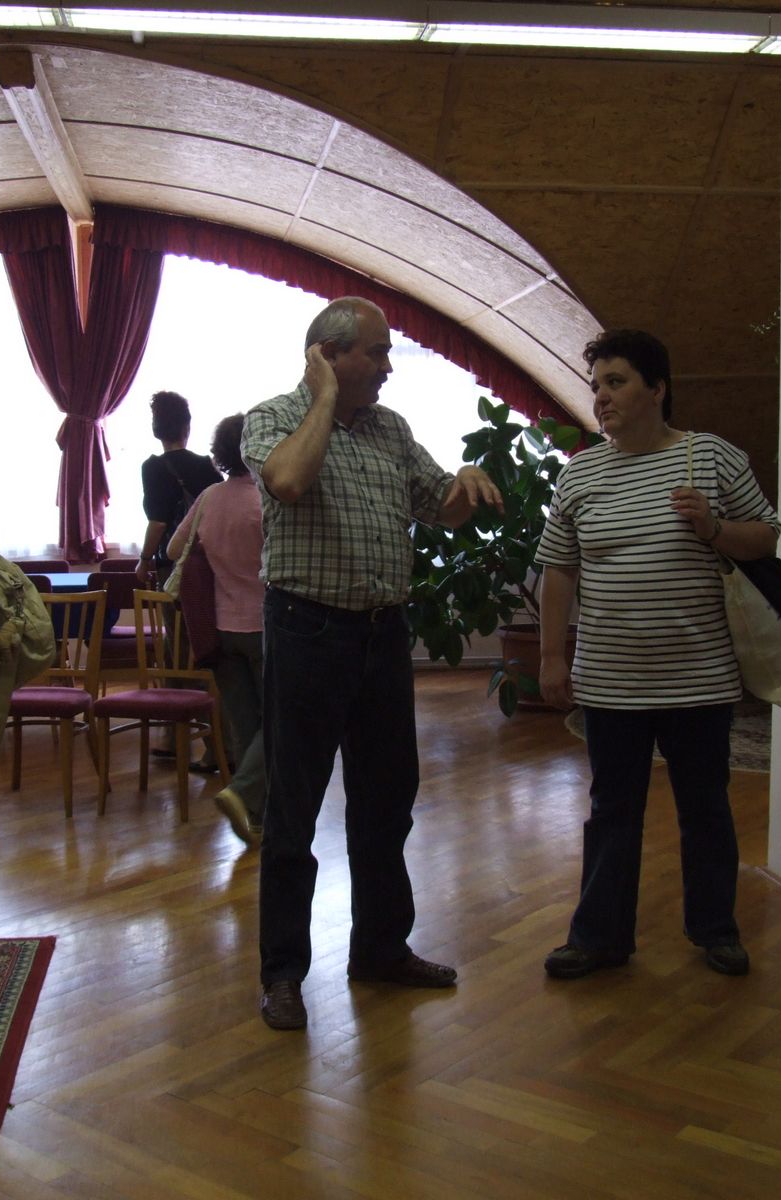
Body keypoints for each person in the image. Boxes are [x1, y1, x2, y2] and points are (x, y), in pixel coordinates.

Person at [240, 296, 502, 1031]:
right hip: (307, 631)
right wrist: (323, 399)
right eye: (377, 353)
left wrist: (467, 479)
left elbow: (442, 507)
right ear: (328, 355)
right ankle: (283, 974)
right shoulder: (273, 418)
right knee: (293, 810)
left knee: (387, 802)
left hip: (384, 635)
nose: (388, 367)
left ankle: (381, 950)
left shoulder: (392, 429)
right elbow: (289, 482)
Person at [536, 329, 780, 982]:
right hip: (609, 682)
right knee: (612, 812)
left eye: (616, 382)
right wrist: (552, 657)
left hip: (699, 678)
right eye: (596, 386)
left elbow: (766, 538)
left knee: (706, 810)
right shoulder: (580, 473)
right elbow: (558, 569)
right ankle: (599, 938)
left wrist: (715, 527)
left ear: (658, 389)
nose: (601, 397)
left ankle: (716, 931)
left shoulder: (712, 458)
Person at [166, 411, 266, 847]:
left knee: (245, 725)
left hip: (219, 629)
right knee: (281, 720)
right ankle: (244, 795)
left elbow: (175, 550)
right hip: (265, 627)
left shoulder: (209, 497)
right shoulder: (266, 500)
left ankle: (256, 817)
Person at [135, 390, 220, 588]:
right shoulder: (206, 465)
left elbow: (158, 523)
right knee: (204, 608)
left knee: (174, 608)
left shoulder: (152, 467)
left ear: (156, 429)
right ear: (187, 427)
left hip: (171, 558)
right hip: (207, 557)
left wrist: (144, 560)